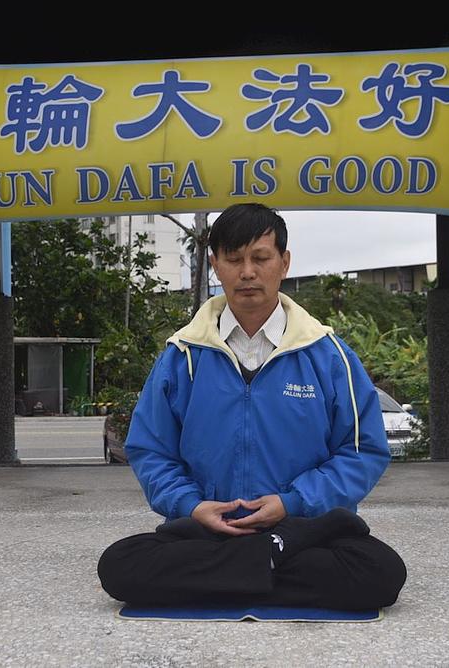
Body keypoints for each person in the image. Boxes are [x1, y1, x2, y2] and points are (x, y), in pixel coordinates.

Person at [97, 203, 406, 610]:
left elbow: (362, 452)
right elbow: (151, 451)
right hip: (209, 528)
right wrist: (192, 506)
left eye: (260, 258)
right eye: (234, 259)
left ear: (284, 262)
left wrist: (291, 503)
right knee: (118, 565)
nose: (247, 272)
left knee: (380, 571)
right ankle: (263, 571)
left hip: (302, 531)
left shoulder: (329, 356)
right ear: (215, 265)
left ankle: (227, 577)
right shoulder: (182, 356)